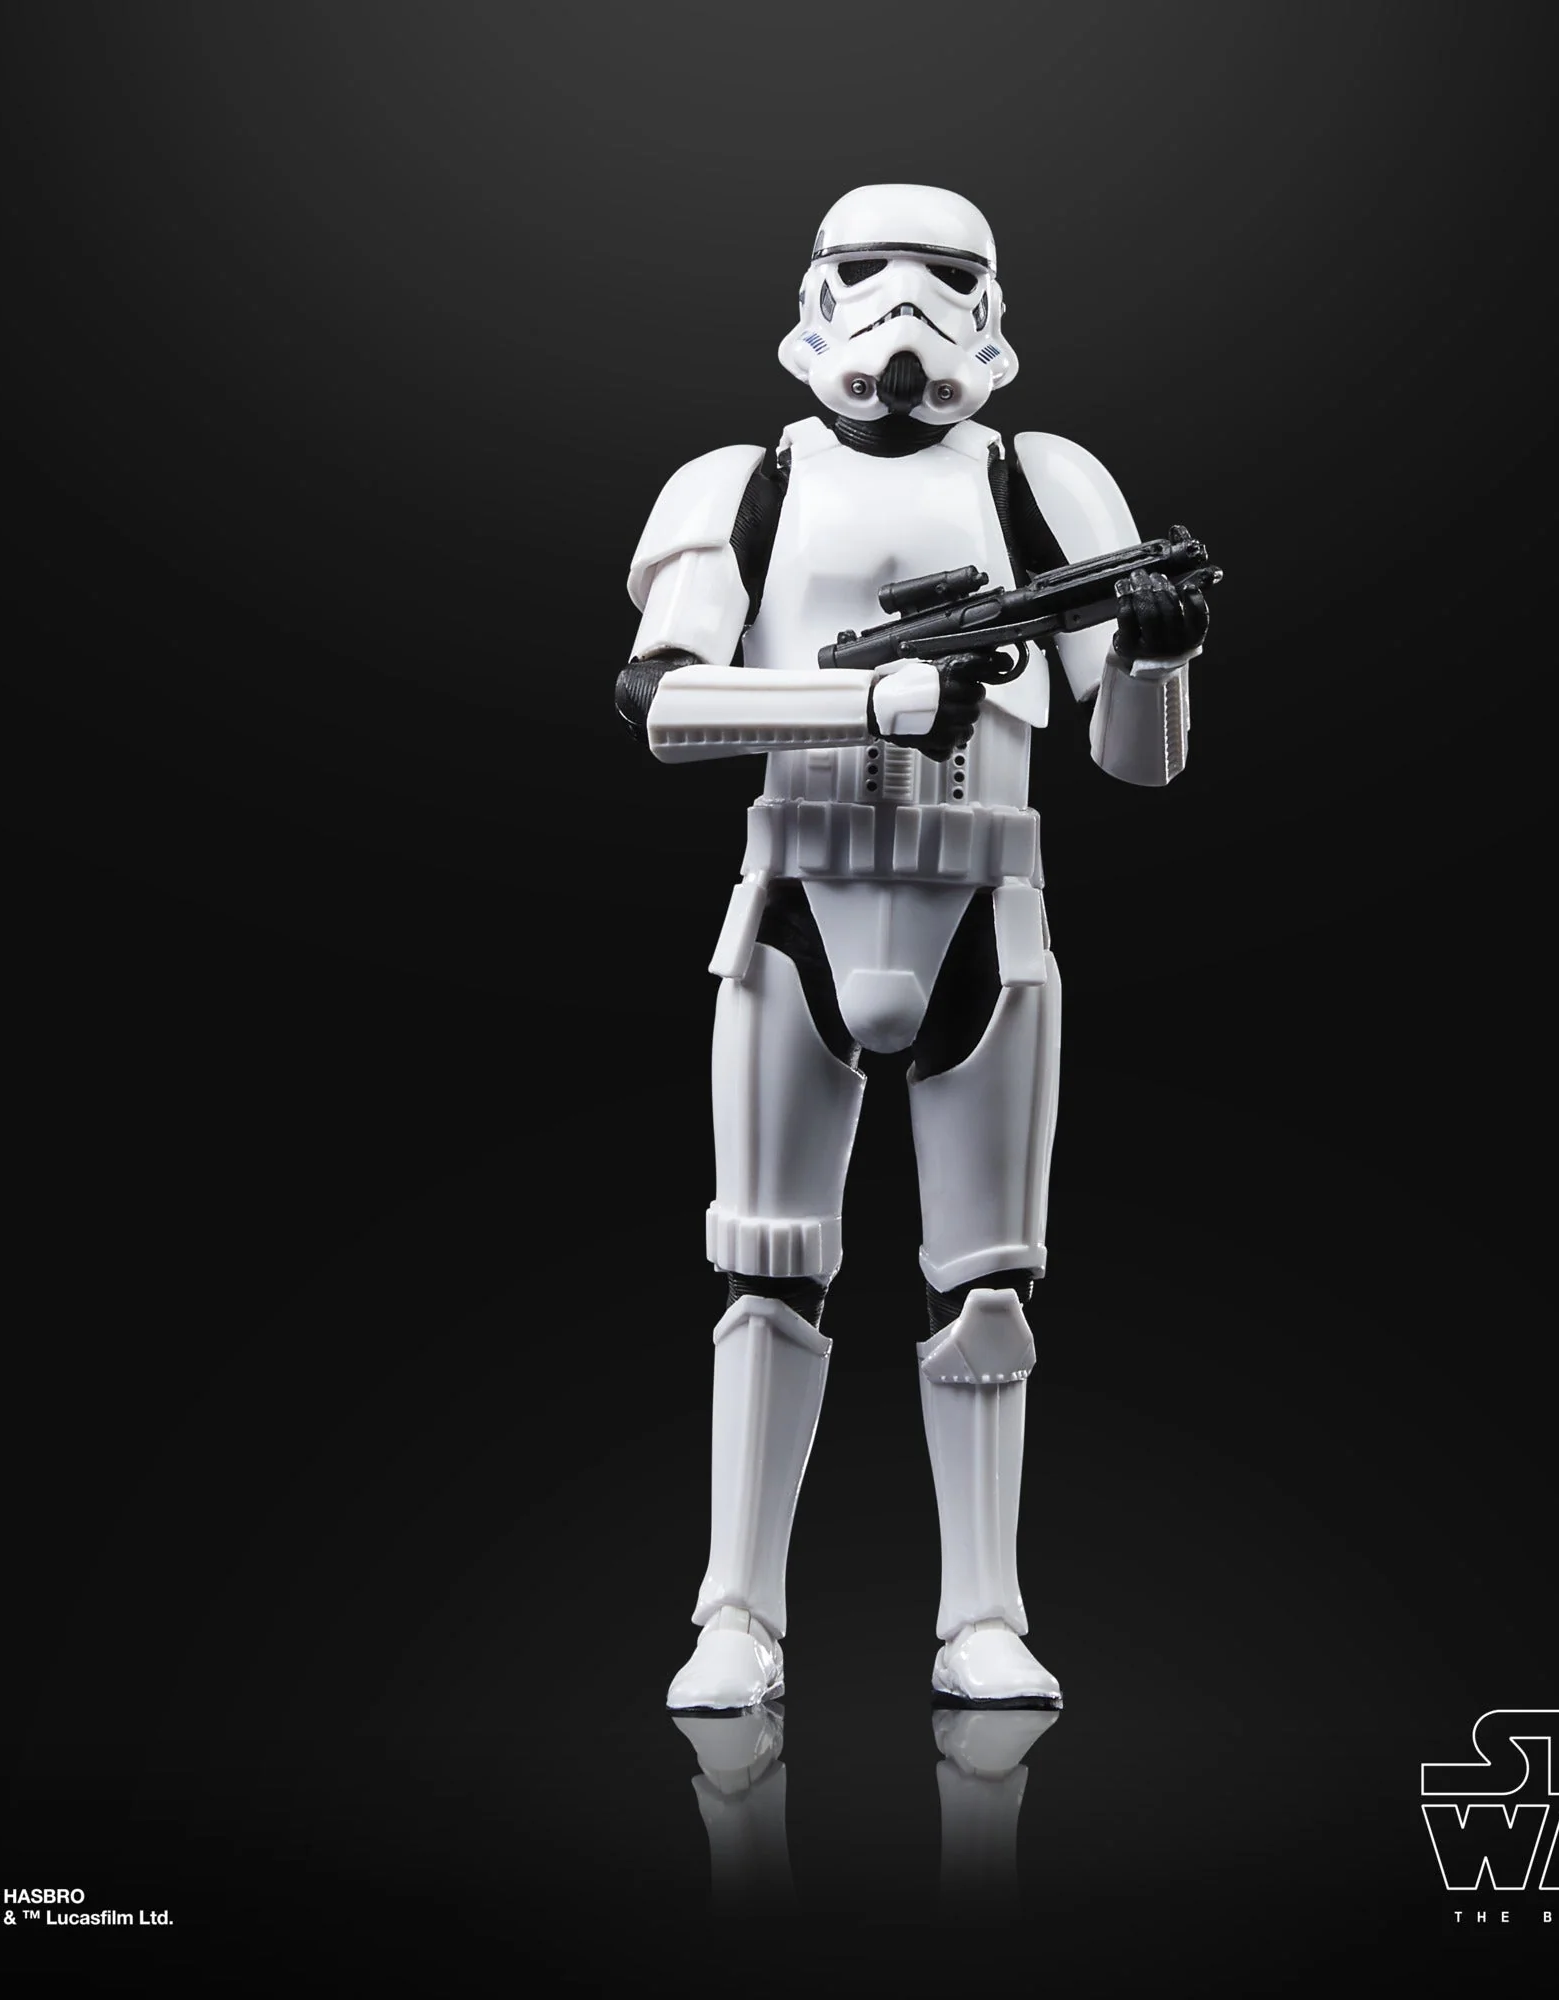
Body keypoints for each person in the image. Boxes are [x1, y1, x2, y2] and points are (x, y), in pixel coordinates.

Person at [616, 185, 1209, 1713]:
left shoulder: (1042, 484)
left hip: (985, 914)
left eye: (944, 275)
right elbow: (663, 703)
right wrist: (864, 698)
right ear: (817, 294)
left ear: (990, 304)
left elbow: (1137, 763)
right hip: (797, 903)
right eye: (872, 273)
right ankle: (736, 1615)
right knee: (765, 1272)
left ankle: (983, 1617)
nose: (906, 308)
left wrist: (1151, 657)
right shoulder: (744, 484)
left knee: (991, 1288)